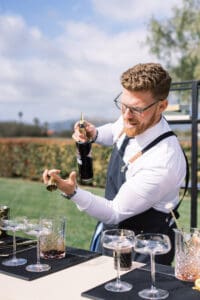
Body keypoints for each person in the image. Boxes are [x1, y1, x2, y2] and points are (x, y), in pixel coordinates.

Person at [43, 63, 187, 265]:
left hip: (144, 247)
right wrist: (94, 134)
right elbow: (115, 130)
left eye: (136, 109)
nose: (127, 115)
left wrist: (72, 192)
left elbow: (113, 212)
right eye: (123, 104)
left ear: (162, 106)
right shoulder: (132, 118)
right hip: (113, 233)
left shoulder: (164, 160)